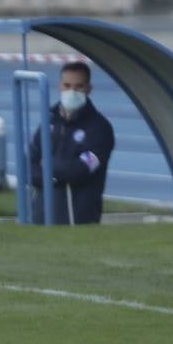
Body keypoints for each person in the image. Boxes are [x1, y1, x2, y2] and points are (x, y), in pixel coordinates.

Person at [28, 61, 115, 225]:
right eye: (67, 86)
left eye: (78, 86)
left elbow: (80, 170)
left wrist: (48, 169)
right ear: (60, 86)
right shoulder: (49, 121)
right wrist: (53, 177)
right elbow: (30, 163)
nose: (72, 91)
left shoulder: (100, 129)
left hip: (79, 219)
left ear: (89, 89)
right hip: (41, 216)